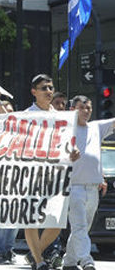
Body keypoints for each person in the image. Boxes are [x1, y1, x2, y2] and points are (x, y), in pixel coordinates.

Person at [22, 74, 73, 270]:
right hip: (31, 174)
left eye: (51, 88)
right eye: (44, 88)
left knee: (57, 221)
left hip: (56, 175)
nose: (49, 91)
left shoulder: (61, 116)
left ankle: (35, 252)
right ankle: (39, 261)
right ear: (34, 92)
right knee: (31, 219)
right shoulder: (27, 115)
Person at [62, 95, 113, 270]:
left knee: (82, 229)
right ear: (72, 110)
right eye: (81, 107)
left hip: (94, 189)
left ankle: (69, 261)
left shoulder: (96, 127)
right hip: (73, 187)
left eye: (88, 108)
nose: (86, 111)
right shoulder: (64, 130)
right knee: (80, 226)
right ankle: (86, 260)